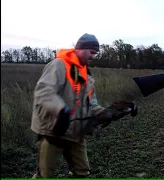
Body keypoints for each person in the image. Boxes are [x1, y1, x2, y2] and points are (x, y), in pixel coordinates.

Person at [30, 33, 136, 178]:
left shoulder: (87, 75)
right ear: (80, 48)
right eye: (92, 52)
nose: (93, 57)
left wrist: (110, 113)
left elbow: (90, 105)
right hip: (53, 131)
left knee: (82, 172)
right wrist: (61, 110)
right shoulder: (59, 65)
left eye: (96, 53)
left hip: (76, 132)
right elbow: (44, 92)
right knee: (45, 175)